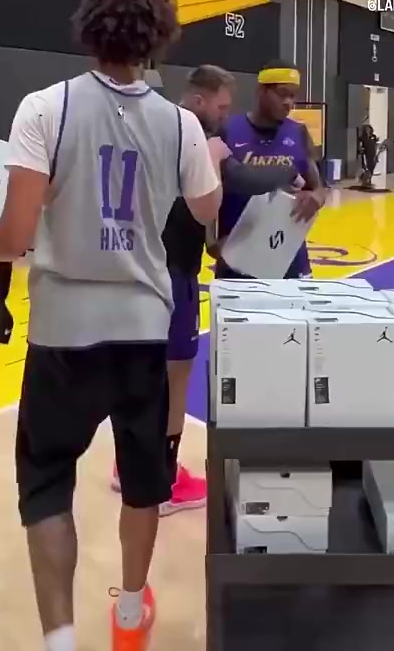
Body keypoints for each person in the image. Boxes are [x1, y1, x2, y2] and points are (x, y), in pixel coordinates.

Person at [0, 0, 223, 651]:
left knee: (48, 482)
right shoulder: (181, 124)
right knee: (143, 481)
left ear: (88, 29)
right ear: (158, 40)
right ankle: (131, 612)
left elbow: (14, 238)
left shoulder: (43, 109)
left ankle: (60, 641)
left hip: (64, 332)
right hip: (142, 329)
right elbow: (208, 208)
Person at [112, 63, 303, 513]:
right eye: (221, 106)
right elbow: (243, 179)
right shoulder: (192, 137)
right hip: (172, 271)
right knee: (176, 375)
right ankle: (164, 483)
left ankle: (128, 466)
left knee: (145, 371)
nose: (225, 115)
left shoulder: (151, 126)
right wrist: (292, 174)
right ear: (199, 101)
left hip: (138, 266)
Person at [214, 60, 325, 279]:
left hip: (289, 258)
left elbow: (320, 189)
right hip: (238, 257)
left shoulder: (299, 133)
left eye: (293, 96)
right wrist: (212, 242)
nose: (288, 102)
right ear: (261, 90)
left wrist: (316, 198)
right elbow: (209, 190)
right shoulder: (228, 130)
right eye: (282, 94)